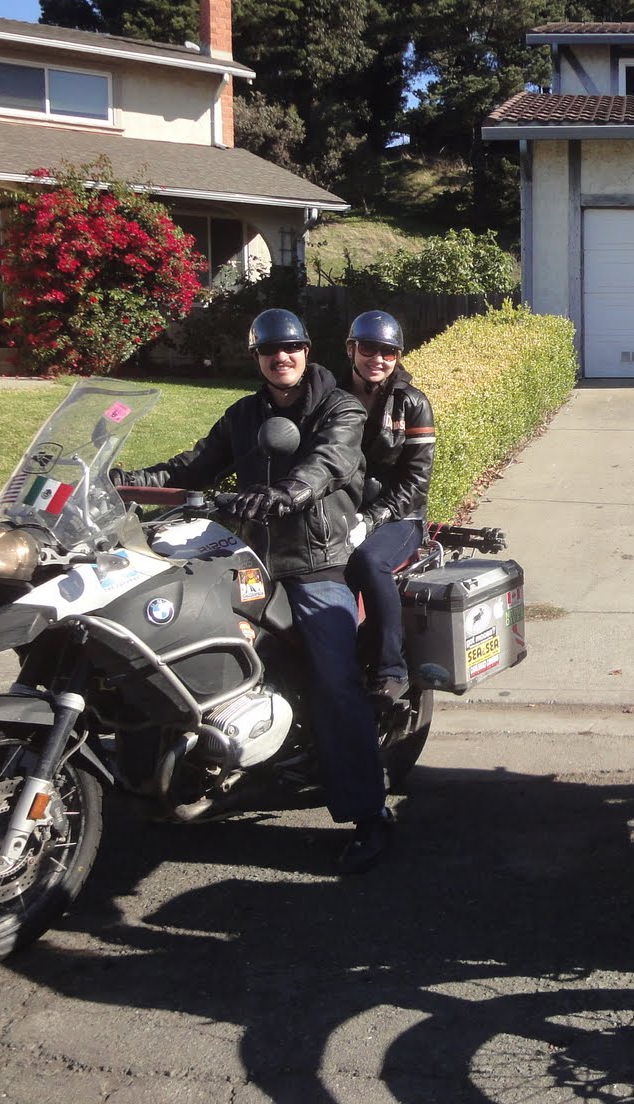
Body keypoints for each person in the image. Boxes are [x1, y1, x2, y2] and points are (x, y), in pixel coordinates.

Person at [110, 308, 393, 874]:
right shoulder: (244, 414)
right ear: (257, 357)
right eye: (269, 349)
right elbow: (195, 464)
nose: (280, 357)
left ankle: (370, 812)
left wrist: (290, 492)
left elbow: (330, 462)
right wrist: (126, 482)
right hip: (249, 556)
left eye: (290, 347)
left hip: (316, 560)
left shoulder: (340, 408)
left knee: (333, 676)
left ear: (307, 350)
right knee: (168, 631)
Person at [341, 310, 436, 711]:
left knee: (369, 561)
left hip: (400, 516)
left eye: (388, 352)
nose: (377, 359)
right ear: (351, 349)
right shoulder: (333, 396)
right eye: (368, 348)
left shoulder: (412, 403)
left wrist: (374, 517)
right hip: (343, 510)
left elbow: (416, 481)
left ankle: (391, 669)